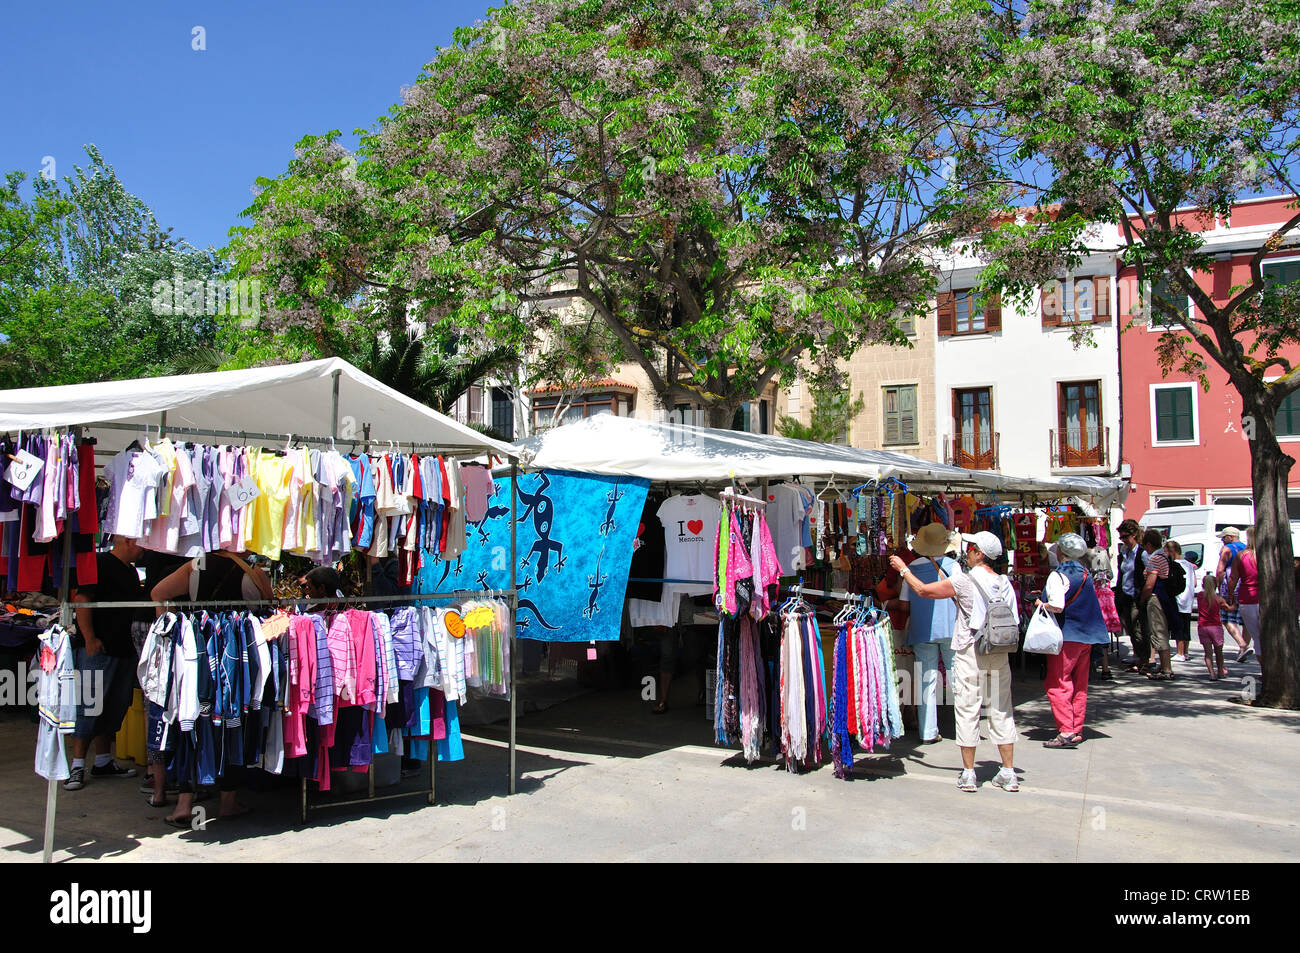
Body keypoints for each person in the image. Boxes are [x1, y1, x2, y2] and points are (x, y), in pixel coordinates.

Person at [890, 531, 1019, 793]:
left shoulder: (964, 581)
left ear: (979, 553)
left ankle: (969, 773)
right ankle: (1008, 771)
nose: (967, 550)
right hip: (997, 651)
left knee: (967, 708)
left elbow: (923, 591)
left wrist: (903, 569)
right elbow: (1014, 621)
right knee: (1001, 708)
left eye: (971, 547)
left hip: (971, 648)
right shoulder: (1005, 582)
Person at [150, 551, 273, 825]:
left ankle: (184, 805)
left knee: (192, 723)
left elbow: (158, 593)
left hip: (198, 649)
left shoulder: (196, 564)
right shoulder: (253, 571)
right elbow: (269, 613)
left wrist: (169, 635)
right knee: (232, 725)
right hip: (235, 655)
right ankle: (228, 802)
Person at [65, 536, 147, 791]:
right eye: (141, 543)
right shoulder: (98, 563)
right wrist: (90, 638)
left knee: (114, 706)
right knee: (89, 706)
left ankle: (102, 762)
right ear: (127, 540)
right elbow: (81, 600)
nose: (144, 549)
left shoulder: (132, 573)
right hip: (98, 648)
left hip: (123, 649)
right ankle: (77, 765)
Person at [1036, 534, 1110, 748]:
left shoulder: (1058, 575)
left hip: (1067, 637)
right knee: (1079, 684)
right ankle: (1076, 727)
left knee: (1058, 683)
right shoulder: (1084, 573)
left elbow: (1057, 605)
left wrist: (1041, 604)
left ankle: (1066, 730)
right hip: (1085, 637)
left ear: (1060, 552)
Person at [897, 523, 960, 745]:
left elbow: (904, 604)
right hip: (951, 628)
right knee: (957, 680)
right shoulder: (954, 566)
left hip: (922, 629)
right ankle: (964, 729)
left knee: (926, 681)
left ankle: (927, 731)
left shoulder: (911, 567)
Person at [1138, 529, 1176, 680]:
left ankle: (1166, 669)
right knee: (1162, 631)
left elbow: (1149, 585)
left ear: (1148, 544)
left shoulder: (1155, 559)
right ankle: (1164, 666)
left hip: (1155, 599)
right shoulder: (1166, 556)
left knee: (1158, 632)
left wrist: (1142, 599)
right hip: (1165, 599)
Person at [1114, 519, 1148, 672]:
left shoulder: (1142, 553)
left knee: (1138, 629)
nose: (1123, 540)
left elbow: (1147, 574)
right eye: (1121, 537)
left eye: (1125, 536)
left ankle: (1144, 659)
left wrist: (1142, 595)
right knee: (1130, 628)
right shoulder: (1124, 553)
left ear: (1134, 535)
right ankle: (1139, 658)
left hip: (1136, 595)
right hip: (1125, 595)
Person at [1215, 527, 1252, 661]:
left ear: (1230, 537)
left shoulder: (1227, 549)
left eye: (1223, 538)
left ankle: (1242, 645)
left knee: (1227, 618)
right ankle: (1244, 648)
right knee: (1245, 621)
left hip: (1230, 584)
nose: (1223, 541)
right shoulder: (1246, 548)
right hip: (1244, 586)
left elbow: (1220, 570)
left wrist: (1218, 587)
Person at [1225, 533, 1261, 662]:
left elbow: (1233, 578)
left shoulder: (1242, 555)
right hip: (1267, 597)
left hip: (1247, 597)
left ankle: (1264, 670)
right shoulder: (1268, 554)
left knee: (1256, 636)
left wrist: (1230, 595)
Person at [1165, 540, 1197, 663]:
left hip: (1178, 598)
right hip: (1188, 599)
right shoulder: (1189, 564)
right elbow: (1194, 583)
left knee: (1178, 627)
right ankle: (1186, 652)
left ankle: (1180, 653)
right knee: (1186, 627)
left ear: (1171, 552)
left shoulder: (1174, 565)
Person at [1197, 573, 1228, 680]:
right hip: (1215, 627)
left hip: (1203, 626)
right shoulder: (1219, 599)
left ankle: (1211, 673)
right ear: (1215, 585)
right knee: (1219, 652)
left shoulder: (1200, 596)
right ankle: (1220, 671)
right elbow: (1229, 608)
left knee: (1208, 653)